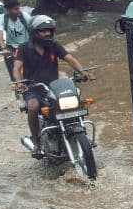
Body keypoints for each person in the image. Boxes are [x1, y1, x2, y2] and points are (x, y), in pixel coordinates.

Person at [12, 15, 94, 158]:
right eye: (43, 31)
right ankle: (36, 143)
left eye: (49, 30)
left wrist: (83, 71)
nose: (47, 33)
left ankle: (79, 133)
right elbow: (17, 68)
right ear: (34, 32)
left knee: (76, 101)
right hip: (33, 89)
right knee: (33, 106)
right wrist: (19, 84)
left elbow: (70, 59)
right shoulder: (23, 48)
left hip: (53, 88)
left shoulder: (54, 45)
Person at [0, 0, 31, 81]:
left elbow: (33, 28)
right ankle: (17, 86)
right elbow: (0, 34)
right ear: (8, 10)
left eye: (18, 8)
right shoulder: (2, 19)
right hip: (11, 48)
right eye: (15, 9)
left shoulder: (24, 16)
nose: (18, 10)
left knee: (31, 73)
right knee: (13, 73)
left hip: (26, 46)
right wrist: (4, 48)